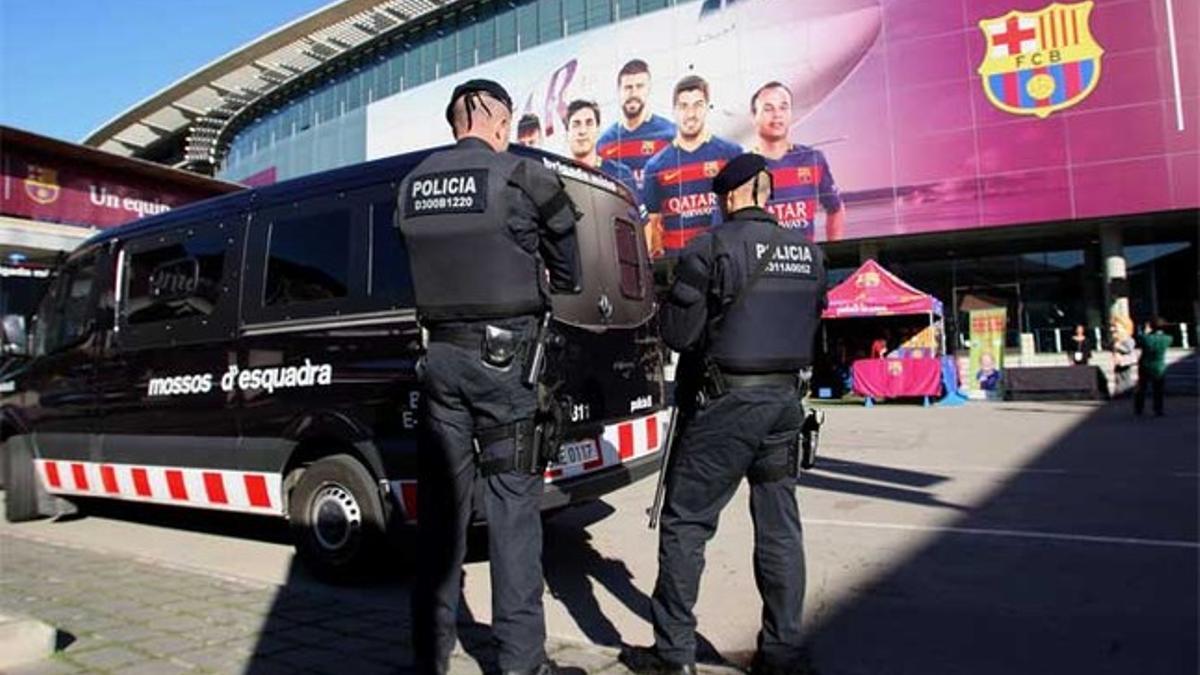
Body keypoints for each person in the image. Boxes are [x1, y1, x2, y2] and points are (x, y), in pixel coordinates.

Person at [397, 79, 583, 675]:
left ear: (455, 122)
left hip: (439, 365)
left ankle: (429, 659)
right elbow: (571, 270)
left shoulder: (412, 186)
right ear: (500, 122)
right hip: (505, 368)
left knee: (442, 518)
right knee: (512, 515)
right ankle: (521, 664)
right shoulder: (523, 177)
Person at [620, 154, 827, 675]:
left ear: (732, 196)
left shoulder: (709, 248)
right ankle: (782, 653)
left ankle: (673, 654)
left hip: (726, 405)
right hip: (785, 406)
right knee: (780, 530)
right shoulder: (809, 255)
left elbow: (678, 335)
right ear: (767, 193)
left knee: (686, 524)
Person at [642, 75, 742, 259]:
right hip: (678, 269)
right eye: (683, 106)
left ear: (707, 107)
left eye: (698, 105)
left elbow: (744, 213)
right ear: (674, 111)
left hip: (724, 262)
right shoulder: (655, 166)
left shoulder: (731, 154)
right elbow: (653, 226)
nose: (691, 114)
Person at [750, 81, 846, 241]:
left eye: (783, 107)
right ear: (753, 117)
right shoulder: (742, 167)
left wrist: (833, 253)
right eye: (768, 109)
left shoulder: (813, 159)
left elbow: (835, 209)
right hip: (763, 264)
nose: (777, 114)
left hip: (804, 264)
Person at [597, 59, 677, 191]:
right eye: (628, 87)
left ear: (649, 89)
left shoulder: (671, 135)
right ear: (618, 91)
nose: (633, 93)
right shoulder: (604, 143)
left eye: (639, 86)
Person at [565, 99, 641, 200]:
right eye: (576, 124)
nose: (582, 131)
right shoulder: (558, 176)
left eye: (589, 123)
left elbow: (637, 214)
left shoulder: (621, 174)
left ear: (598, 130)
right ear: (567, 133)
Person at [1134, 318, 1173, 417]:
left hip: (1145, 365)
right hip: (1159, 366)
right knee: (1158, 389)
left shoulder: (1146, 338)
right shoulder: (1167, 338)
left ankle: (1139, 408)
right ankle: (1158, 409)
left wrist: (1146, 332)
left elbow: (1139, 339)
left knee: (1142, 387)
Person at [1110, 315, 1137, 397]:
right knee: (1118, 376)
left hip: (1125, 362)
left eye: (1115, 327)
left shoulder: (1128, 339)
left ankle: (1126, 391)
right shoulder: (1117, 340)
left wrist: (1118, 347)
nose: (1113, 329)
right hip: (1118, 362)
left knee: (1125, 376)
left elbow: (1129, 349)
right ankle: (1119, 391)